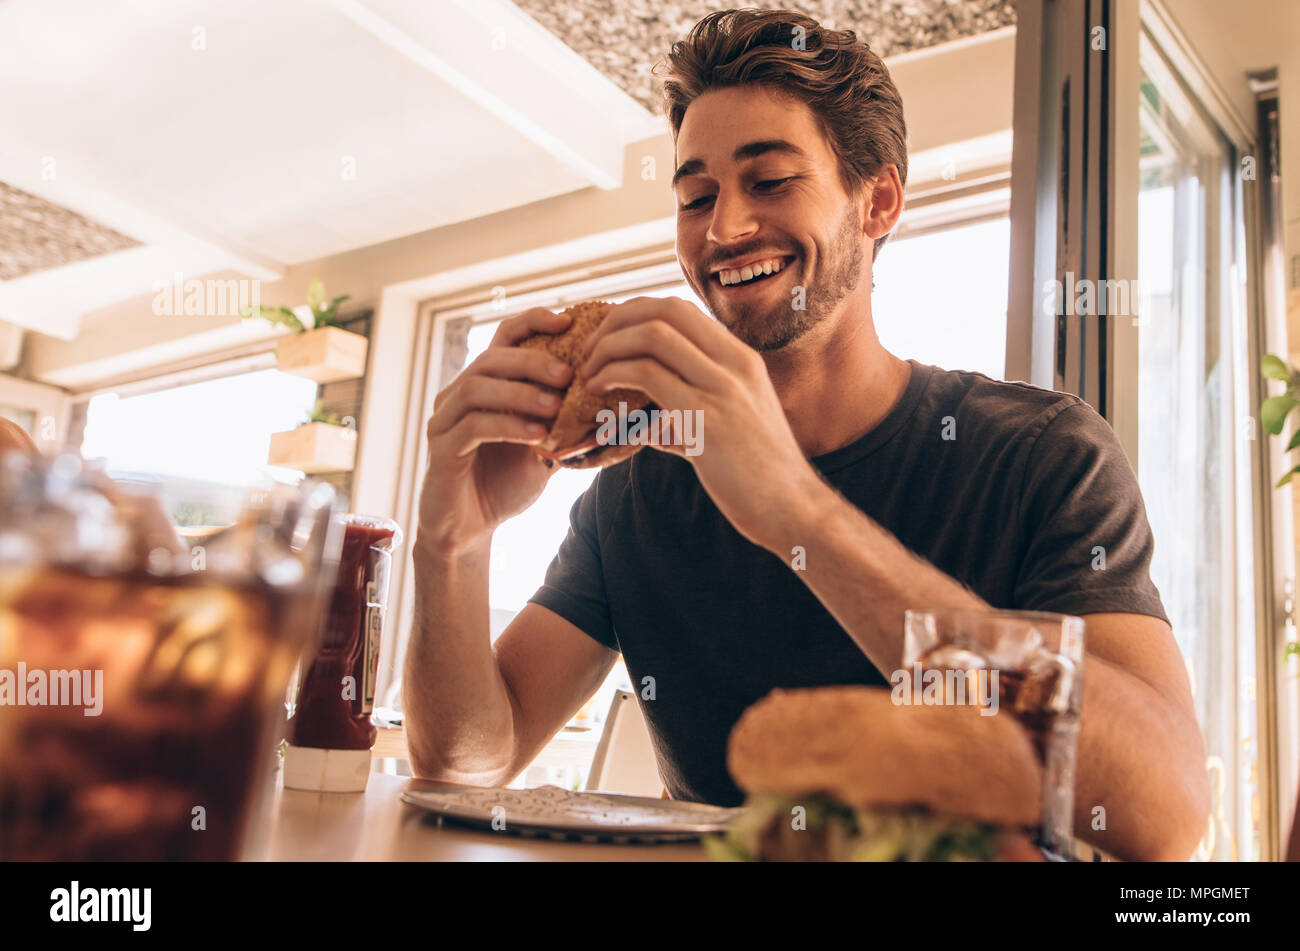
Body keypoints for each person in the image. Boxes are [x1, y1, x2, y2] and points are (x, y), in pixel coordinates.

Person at [405, 9, 1210, 861]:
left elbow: (1167, 812)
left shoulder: (1042, 454)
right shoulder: (634, 493)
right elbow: (469, 763)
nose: (723, 229)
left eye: (771, 180)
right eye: (695, 197)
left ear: (880, 201)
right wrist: (451, 541)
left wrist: (793, 508)